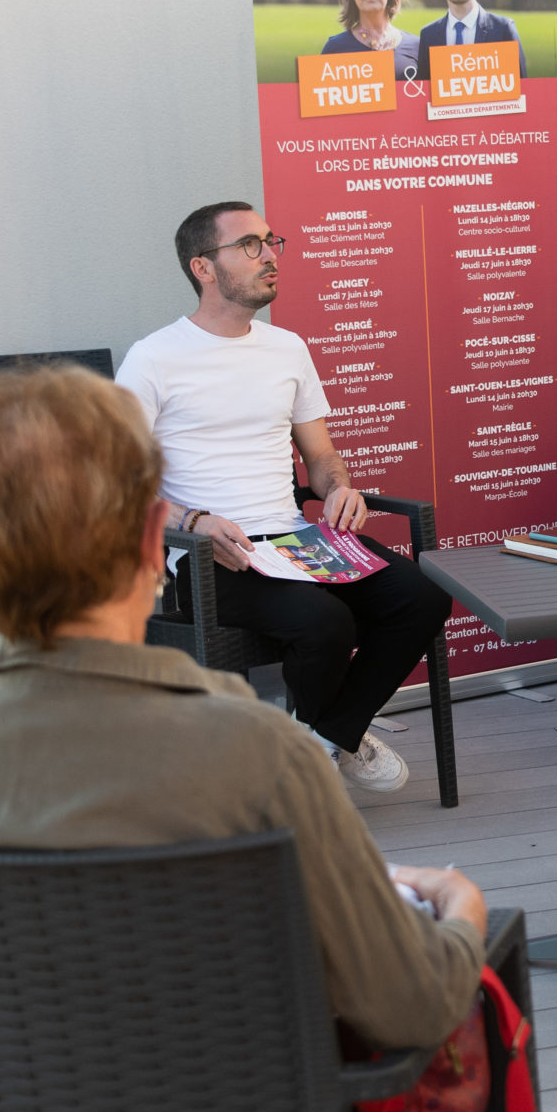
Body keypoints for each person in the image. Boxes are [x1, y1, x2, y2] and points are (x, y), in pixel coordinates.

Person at [0, 364, 557, 1112]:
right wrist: (459, 903)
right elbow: (407, 1006)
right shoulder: (258, 755)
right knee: (439, 943)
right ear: (146, 549)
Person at [118, 201, 456, 793]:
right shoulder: (153, 357)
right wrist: (191, 520)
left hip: (297, 539)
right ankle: (328, 739)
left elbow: (320, 455)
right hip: (208, 554)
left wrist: (339, 488)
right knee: (322, 620)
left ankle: (326, 736)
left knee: (423, 597)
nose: (270, 255)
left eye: (271, 241)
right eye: (249, 245)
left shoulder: (287, 348)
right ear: (203, 266)